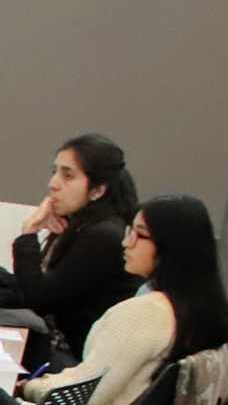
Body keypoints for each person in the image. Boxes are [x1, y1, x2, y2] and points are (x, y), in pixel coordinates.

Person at [19, 193, 228, 405]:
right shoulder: (201, 309)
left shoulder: (147, 313)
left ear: (170, 247)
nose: (125, 241)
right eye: (128, 231)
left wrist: (27, 388)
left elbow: (86, 396)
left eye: (139, 235)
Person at [9, 133, 141, 361]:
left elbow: (38, 299)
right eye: (55, 172)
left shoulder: (103, 237)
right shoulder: (89, 223)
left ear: (98, 191)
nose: (53, 184)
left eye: (68, 176)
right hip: (68, 341)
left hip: (76, 358)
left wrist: (29, 234)